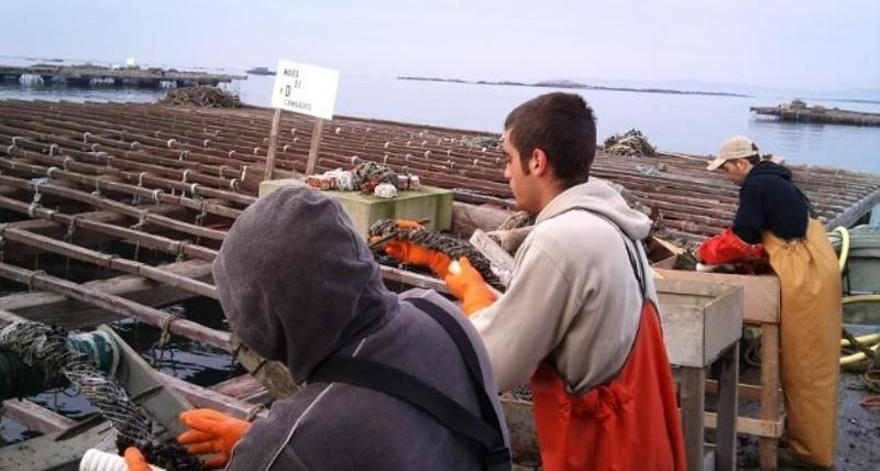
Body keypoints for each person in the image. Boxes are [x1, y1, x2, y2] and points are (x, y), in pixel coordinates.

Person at [388, 92, 686, 470]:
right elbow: (551, 321)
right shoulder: (614, 227)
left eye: (508, 159)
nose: (505, 172)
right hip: (645, 440)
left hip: (603, 452)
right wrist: (446, 264)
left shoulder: (559, 240)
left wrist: (471, 295)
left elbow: (494, 364)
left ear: (537, 160)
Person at [126, 184, 511, 471]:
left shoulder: (292, 445)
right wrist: (256, 439)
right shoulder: (444, 316)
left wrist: (268, 450)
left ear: (263, 323)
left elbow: (333, 436)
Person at [698, 135, 841, 467]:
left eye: (726, 170)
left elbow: (741, 238)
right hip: (818, 268)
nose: (727, 177)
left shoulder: (756, 186)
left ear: (741, 164)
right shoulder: (776, 180)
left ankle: (810, 456)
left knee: (806, 366)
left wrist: (705, 251)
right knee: (813, 361)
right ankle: (805, 441)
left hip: (807, 279)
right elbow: (773, 234)